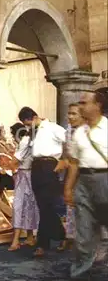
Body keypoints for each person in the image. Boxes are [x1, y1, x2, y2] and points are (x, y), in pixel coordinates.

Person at [63, 90, 108, 281]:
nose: (80, 106)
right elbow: (73, 162)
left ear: (98, 105)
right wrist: (68, 188)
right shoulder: (79, 132)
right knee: (84, 232)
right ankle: (80, 276)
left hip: (105, 178)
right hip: (84, 181)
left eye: (84, 102)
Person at [18, 107, 66, 257]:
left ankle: (42, 244)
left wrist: (63, 160)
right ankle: (62, 236)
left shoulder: (52, 128)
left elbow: (69, 142)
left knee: (48, 204)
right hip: (36, 167)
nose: (27, 126)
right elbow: (24, 151)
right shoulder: (32, 133)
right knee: (42, 206)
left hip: (49, 164)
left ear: (35, 117)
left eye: (27, 122)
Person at [8, 122, 39, 251]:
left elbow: (14, 162)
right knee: (30, 205)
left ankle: (15, 240)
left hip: (24, 175)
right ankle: (30, 236)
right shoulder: (35, 142)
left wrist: (12, 171)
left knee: (19, 206)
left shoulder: (24, 142)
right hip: (32, 175)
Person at [59, 103, 84, 251]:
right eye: (69, 113)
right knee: (71, 206)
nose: (70, 116)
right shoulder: (68, 131)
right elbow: (66, 152)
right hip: (73, 172)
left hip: (88, 174)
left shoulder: (89, 131)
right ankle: (71, 237)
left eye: (74, 114)